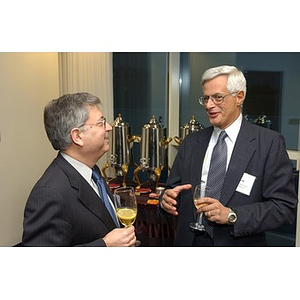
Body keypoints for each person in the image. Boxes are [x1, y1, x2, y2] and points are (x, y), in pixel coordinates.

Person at [157, 65, 298, 246]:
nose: (209, 105)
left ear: (239, 97)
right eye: (206, 98)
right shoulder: (192, 142)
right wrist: (165, 200)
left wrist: (232, 216)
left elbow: (284, 208)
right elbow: (172, 189)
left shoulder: (269, 143)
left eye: (217, 97)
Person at [22, 92, 137, 246]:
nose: (109, 127)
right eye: (101, 123)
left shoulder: (93, 172)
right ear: (77, 136)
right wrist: (105, 245)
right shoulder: (49, 193)